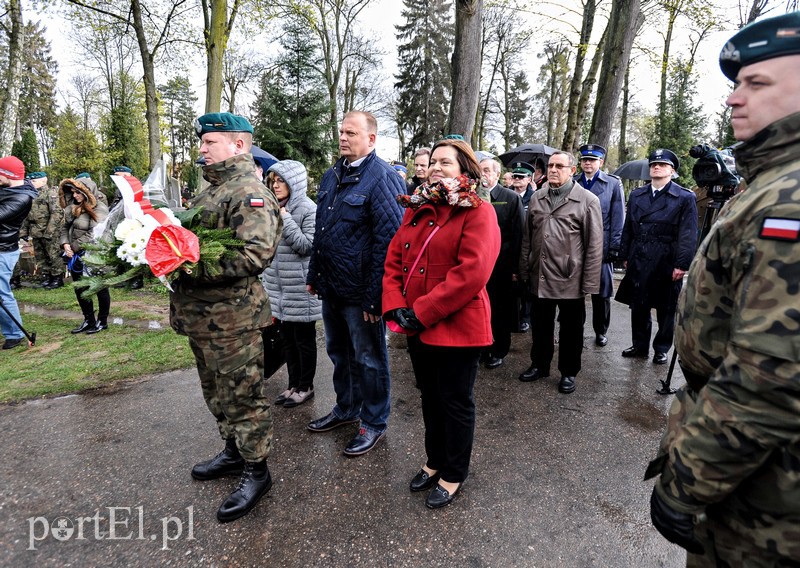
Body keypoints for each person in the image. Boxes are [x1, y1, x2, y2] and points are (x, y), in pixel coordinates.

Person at [646, 12, 800, 566]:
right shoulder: (768, 182)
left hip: (770, 504)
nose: (735, 98)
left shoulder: (789, 200)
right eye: (737, 83)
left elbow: (773, 378)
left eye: (757, 84)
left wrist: (687, 480)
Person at [172, 113, 282, 523]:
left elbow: (255, 254)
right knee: (216, 392)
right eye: (202, 142)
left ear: (238, 145)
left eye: (210, 142)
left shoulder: (249, 191)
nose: (202, 148)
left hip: (232, 321)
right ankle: (234, 452)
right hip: (202, 319)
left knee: (243, 397)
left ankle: (258, 470)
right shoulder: (210, 191)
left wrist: (187, 266)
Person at [383, 138, 500, 509]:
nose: (435, 167)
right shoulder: (416, 208)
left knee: (454, 402)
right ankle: (434, 460)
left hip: (458, 327)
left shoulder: (478, 211)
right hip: (419, 325)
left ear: (465, 170)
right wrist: (395, 306)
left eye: (445, 162)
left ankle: (453, 472)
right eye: (433, 161)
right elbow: (394, 262)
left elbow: (472, 273)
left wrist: (420, 311)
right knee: (429, 398)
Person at [306, 110, 405, 457]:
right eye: (341, 132)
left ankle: (374, 421)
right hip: (332, 286)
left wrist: (376, 297)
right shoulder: (332, 175)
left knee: (370, 358)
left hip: (362, 293)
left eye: (351, 133)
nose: (343, 137)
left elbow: (389, 244)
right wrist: (314, 275)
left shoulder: (383, 178)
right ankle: (347, 407)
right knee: (338, 353)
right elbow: (322, 231)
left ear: (371, 139)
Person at [518, 150, 603, 394]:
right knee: (541, 325)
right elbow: (528, 237)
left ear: (572, 170)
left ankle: (568, 372)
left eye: (559, 166)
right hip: (540, 275)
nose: (553, 170)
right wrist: (525, 269)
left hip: (570, 278)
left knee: (571, 330)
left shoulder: (587, 201)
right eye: (550, 166)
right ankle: (539, 365)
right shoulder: (538, 197)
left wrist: (589, 284)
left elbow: (594, 246)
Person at [616, 149, 697, 364]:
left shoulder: (685, 197)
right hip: (640, 256)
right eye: (653, 164)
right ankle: (639, 345)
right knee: (639, 304)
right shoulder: (637, 195)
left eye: (662, 164)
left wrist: (682, 264)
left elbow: (688, 234)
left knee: (666, 308)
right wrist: (624, 254)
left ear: (672, 170)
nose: (656, 167)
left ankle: (661, 347)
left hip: (666, 258)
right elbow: (628, 228)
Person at [261, 160, 322, 408]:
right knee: (286, 339)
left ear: (294, 183)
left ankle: (305, 386)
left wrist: (285, 219)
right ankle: (292, 384)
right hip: (278, 287)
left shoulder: (309, 209)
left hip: (300, 287)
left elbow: (307, 246)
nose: (275, 185)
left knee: (303, 340)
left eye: (280, 181)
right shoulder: (273, 207)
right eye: (273, 180)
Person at [574, 144, 625, 346]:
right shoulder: (574, 182)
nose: (588, 163)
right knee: (574, 291)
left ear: (600, 163)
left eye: (592, 160)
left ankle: (601, 331)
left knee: (601, 293)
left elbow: (618, 216)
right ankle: (575, 328)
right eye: (585, 159)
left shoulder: (612, 184)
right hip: (575, 245)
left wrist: (614, 246)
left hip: (601, 246)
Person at [479, 156, 524, 369]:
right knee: (479, 308)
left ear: (498, 174)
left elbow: (518, 235)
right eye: (481, 170)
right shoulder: (472, 197)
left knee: (500, 310)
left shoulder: (509, 198)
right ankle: (480, 347)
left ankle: (498, 350)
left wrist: (516, 268)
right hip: (478, 265)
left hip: (501, 265)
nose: (484, 174)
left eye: (488, 170)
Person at [58, 178, 111, 335]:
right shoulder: (72, 207)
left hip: (94, 253)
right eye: (72, 192)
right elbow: (64, 227)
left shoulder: (100, 208)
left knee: (99, 287)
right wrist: (65, 244)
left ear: (86, 192)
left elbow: (94, 233)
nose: (74, 195)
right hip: (75, 254)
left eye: (77, 192)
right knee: (80, 287)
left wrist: (72, 247)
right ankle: (88, 319)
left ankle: (102, 320)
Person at [0, 156, 37, 350]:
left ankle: (14, 334)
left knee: (2, 294)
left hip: (3, 251)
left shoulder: (21, 197)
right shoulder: (8, 189)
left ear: (8, 175)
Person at [20, 172, 64, 289]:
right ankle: (47, 276)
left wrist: (49, 232)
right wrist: (24, 232)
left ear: (43, 181)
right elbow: (26, 215)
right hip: (35, 231)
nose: (31, 183)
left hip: (49, 230)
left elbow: (56, 213)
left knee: (53, 255)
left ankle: (57, 278)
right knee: (40, 256)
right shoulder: (30, 195)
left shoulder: (50, 194)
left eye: (34, 181)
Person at [509, 161, 535, 333]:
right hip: (510, 244)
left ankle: (526, 317)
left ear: (529, 179)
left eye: (521, 177)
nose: (517, 180)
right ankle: (513, 318)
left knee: (526, 283)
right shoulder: (507, 195)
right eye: (514, 176)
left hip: (528, 245)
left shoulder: (535, 197)